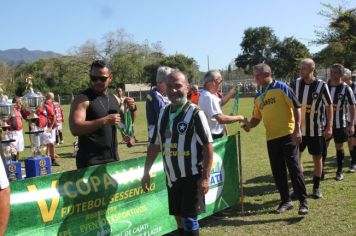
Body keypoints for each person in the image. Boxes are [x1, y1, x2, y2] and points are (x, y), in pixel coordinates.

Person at [141, 70, 213, 236]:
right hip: (172, 177)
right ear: (165, 88)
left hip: (192, 175)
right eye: (170, 86)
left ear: (187, 87)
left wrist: (205, 177)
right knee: (178, 217)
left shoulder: (196, 114)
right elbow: (155, 144)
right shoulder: (164, 113)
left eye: (178, 86)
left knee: (189, 219)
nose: (174, 90)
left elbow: (208, 146)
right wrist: (146, 172)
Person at [243, 63, 308, 215]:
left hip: (288, 134)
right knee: (278, 171)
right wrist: (249, 125)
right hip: (271, 138)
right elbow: (256, 117)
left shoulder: (281, 87)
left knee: (294, 168)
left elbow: (296, 106)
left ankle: (303, 202)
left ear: (266, 74)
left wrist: (297, 129)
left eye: (256, 75)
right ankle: (285, 201)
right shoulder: (258, 95)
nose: (255, 78)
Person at [70, 60, 135, 169]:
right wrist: (104, 121)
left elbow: (125, 124)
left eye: (102, 78)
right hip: (90, 163)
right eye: (94, 78)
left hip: (113, 160)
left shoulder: (115, 98)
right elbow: (75, 128)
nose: (98, 81)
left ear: (110, 77)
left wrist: (133, 110)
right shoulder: (83, 99)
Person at [291, 58, 333, 199]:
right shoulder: (296, 83)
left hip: (317, 129)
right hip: (298, 130)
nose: (300, 70)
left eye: (303, 68)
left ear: (312, 69)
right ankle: (299, 188)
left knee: (317, 159)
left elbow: (329, 107)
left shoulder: (321, 85)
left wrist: (329, 126)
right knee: (296, 158)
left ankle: (316, 188)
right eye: (300, 68)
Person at [325, 64, 356, 181]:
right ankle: (320, 171)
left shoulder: (346, 88)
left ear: (341, 74)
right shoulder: (324, 86)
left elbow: (352, 106)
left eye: (336, 72)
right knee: (323, 147)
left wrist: (351, 124)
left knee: (339, 147)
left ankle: (339, 171)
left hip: (339, 123)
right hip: (325, 123)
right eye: (331, 72)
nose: (333, 74)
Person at [198, 70, 244, 140]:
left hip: (209, 135)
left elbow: (221, 102)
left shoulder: (206, 94)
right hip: (212, 136)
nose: (221, 84)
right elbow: (221, 119)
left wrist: (231, 92)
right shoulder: (209, 97)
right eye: (220, 81)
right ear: (214, 82)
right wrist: (239, 117)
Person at [146, 66, 172, 142]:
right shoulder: (154, 95)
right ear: (163, 81)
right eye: (170, 82)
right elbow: (164, 114)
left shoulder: (164, 94)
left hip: (164, 132)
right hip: (158, 135)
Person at [342, 68, 356, 172]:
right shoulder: (341, 88)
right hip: (346, 118)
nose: (341, 79)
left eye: (343, 77)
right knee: (350, 140)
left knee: (353, 140)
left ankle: (354, 162)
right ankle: (353, 160)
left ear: (349, 77)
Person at [40, 92, 59, 166]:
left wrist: (50, 127)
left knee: (51, 143)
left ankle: (52, 159)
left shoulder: (46, 106)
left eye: (42, 99)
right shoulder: (40, 107)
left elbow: (54, 116)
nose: (42, 100)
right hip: (40, 128)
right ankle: (43, 159)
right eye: (40, 99)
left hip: (48, 127)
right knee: (40, 145)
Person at [7, 96, 25, 161]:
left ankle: (16, 162)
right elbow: (5, 120)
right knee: (13, 149)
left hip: (19, 132)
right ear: (15, 103)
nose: (21, 104)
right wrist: (9, 116)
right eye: (19, 102)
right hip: (13, 132)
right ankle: (13, 165)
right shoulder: (10, 110)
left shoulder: (18, 111)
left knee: (18, 149)